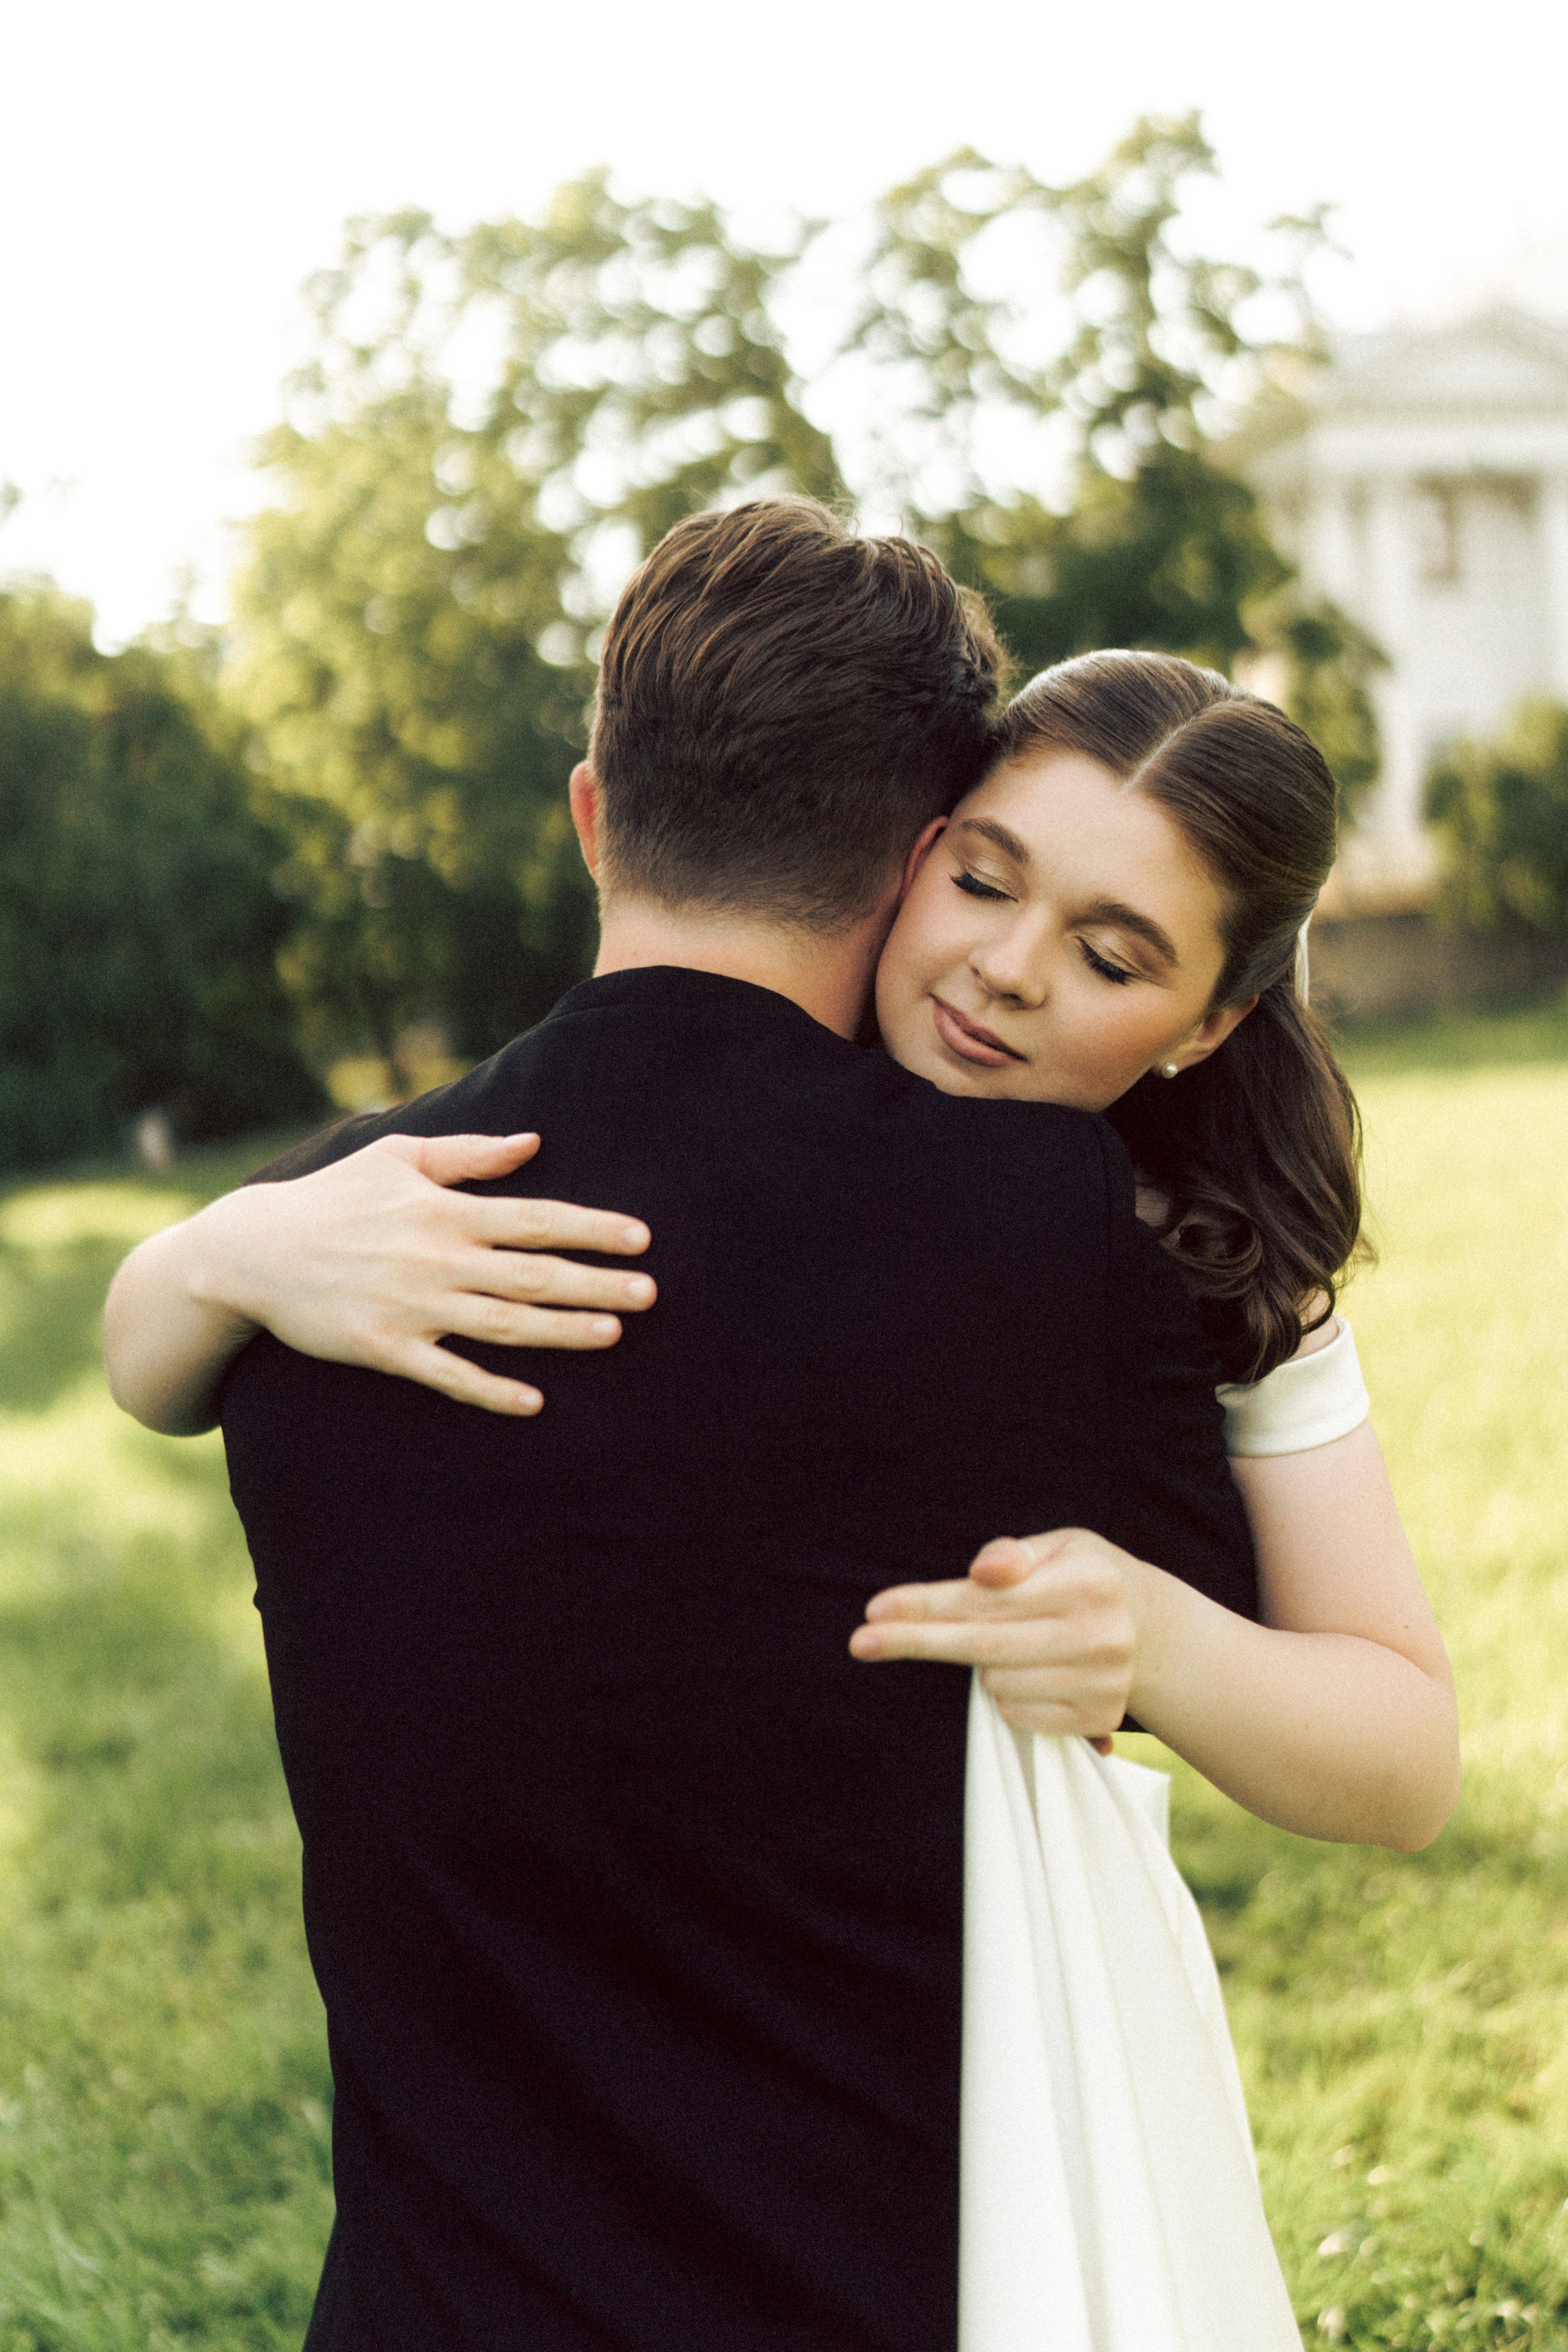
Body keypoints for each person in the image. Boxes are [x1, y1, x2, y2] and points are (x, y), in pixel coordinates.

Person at [104, 508, 1458, 2347]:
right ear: (914, 858)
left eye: (1112, 951)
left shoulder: (343, 1234)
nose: (1005, 970)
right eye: (989, 884)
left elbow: (1391, 1748)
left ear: (592, 812)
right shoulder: (1068, 1265)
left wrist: (218, 1247)